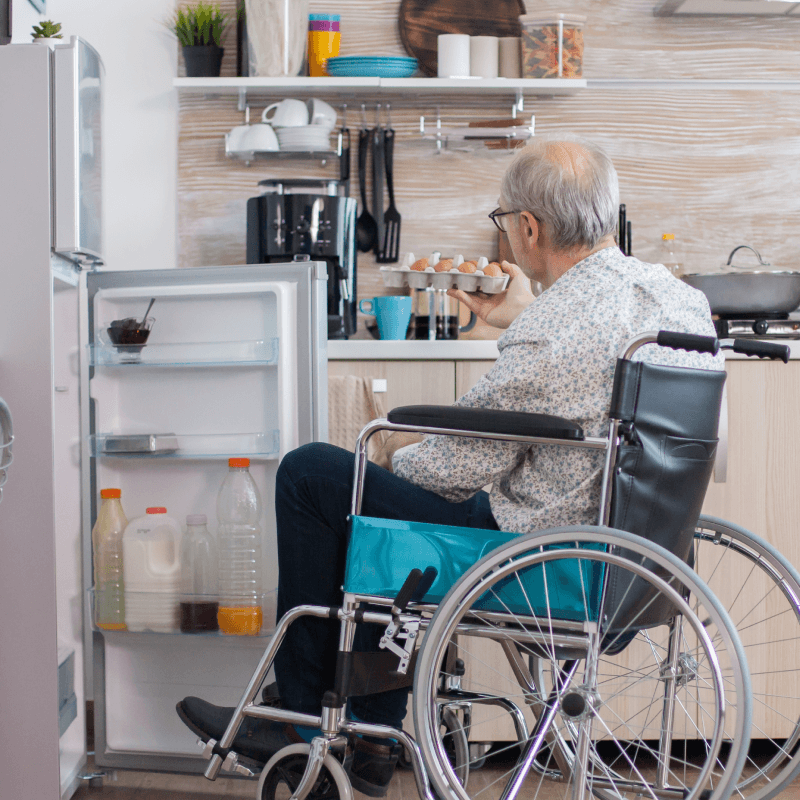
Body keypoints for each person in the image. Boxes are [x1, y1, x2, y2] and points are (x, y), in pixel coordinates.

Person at [176, 134, 723, 796]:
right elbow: (587, 370)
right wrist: (524, 317)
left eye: (504, 222)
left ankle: (305, 726)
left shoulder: (552, 328)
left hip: (540, 562)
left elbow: (454, 468)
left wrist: (381, 455)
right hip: (636, 564)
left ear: (528, 227)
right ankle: (368, 738)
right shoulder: (680, 302)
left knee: (317, 477)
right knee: (382, 523)